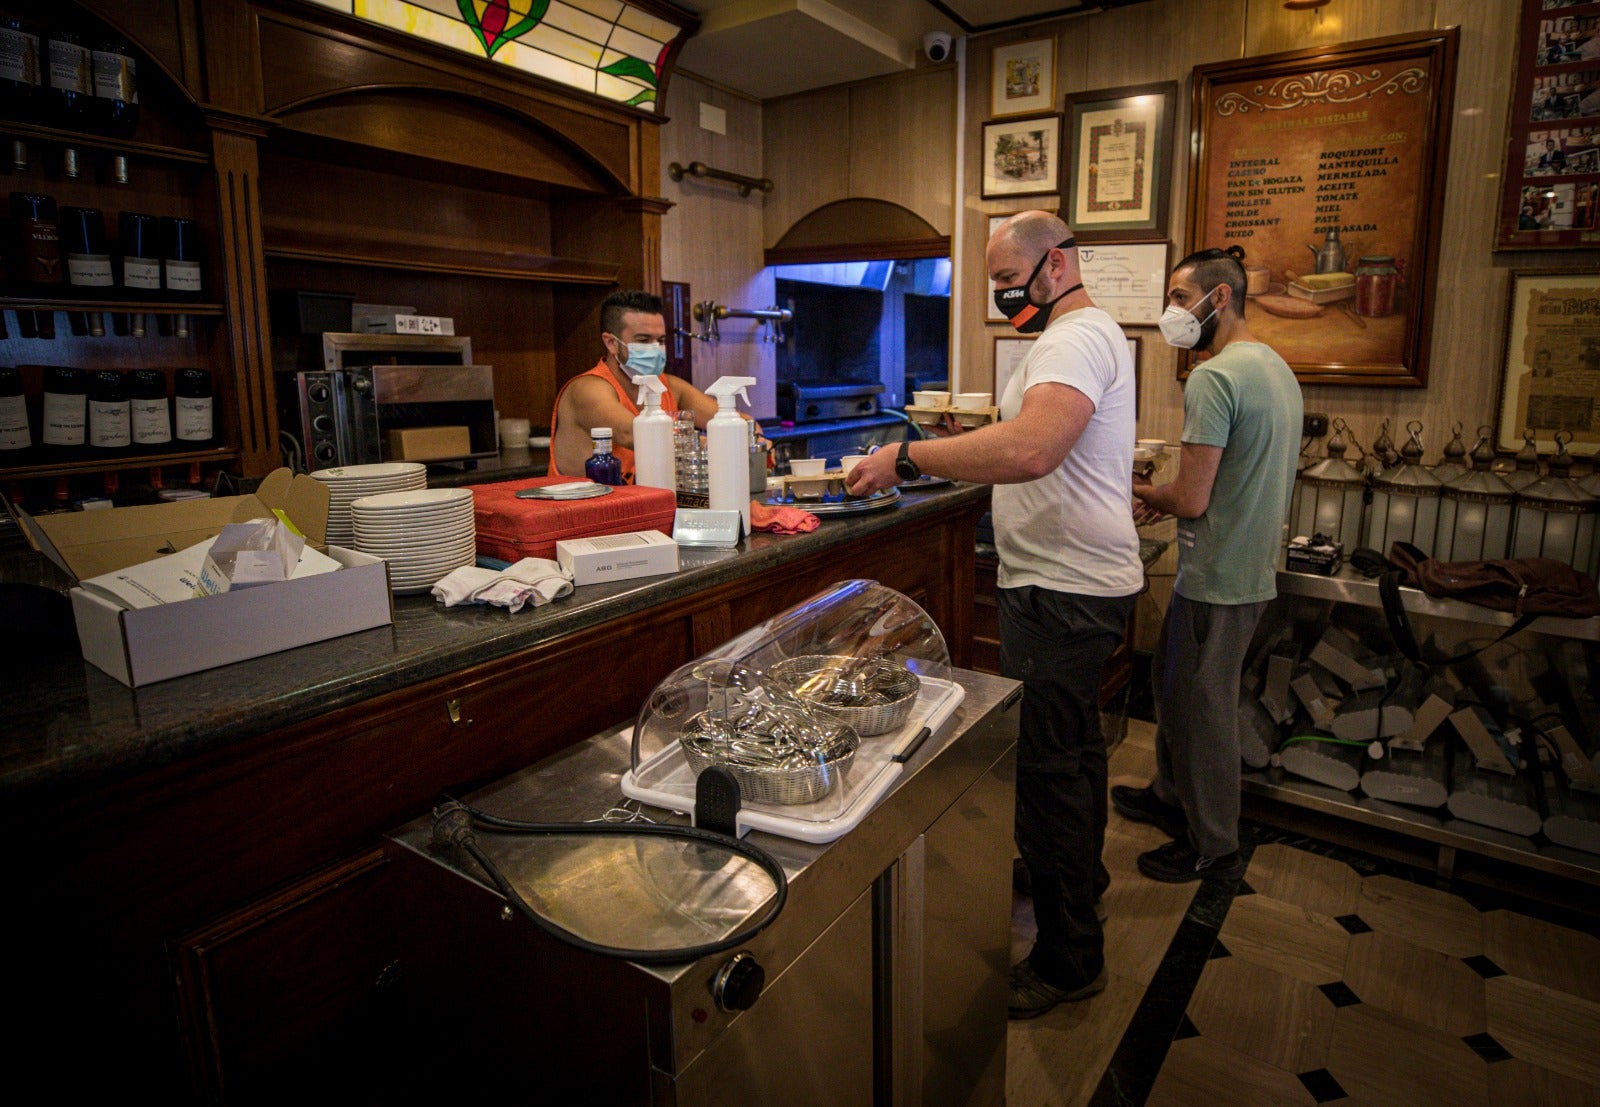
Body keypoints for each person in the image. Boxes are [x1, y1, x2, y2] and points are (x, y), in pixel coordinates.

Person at [847, 210, 1143, 1019]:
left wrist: (907, 456)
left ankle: (1069, 958)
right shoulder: (1084, 335)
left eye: (1011, 280)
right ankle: (1077, 880)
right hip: (1077, 583)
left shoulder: (1072, 338)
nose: (1004, 295)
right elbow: (1025, 436)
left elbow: (1030, 450)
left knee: (1048, 775)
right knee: (1074, 755)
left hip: (1062, 589)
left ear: (1058, 264)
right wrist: (964, 439)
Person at [1116, 246, 1302, 883]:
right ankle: (1171, 796)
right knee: (1173, 689)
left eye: (1178, 297)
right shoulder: (1275, 368)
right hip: (1245, 567)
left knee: (1204, 713)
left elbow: (1192, 498)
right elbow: (1219, 482)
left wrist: (1138, 491)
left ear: (1218, 297)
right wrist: (1166, 496)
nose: (1171, 310)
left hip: (1219, 575)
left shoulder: (1214, 378)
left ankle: (1215, 844)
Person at [550, 290, 761, 479]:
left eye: (660, 341)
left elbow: (742, 422)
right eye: (643, 340)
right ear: (611, 342)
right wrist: (716, 441)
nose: (656, 349)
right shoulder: (588, 389)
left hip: (648, 504)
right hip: (586, 508)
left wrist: (754, 438)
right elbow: (637, 435)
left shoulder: (669, 386)